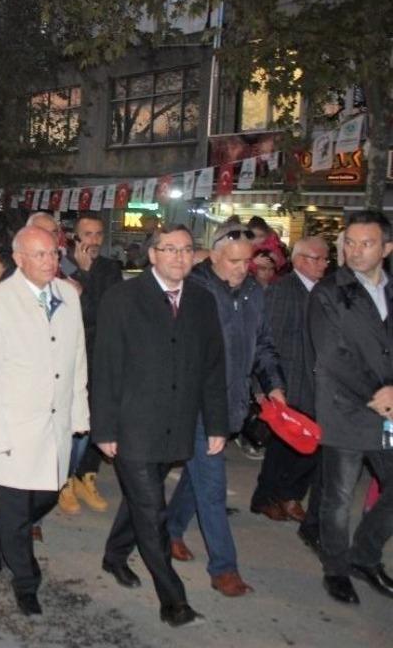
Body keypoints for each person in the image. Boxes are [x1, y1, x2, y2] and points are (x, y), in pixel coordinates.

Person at [92, 224, 228, 628]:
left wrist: (217, 423)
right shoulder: (123, 298)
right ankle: (174, 601)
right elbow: (106, 366)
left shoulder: (202, 301)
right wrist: (104, 428)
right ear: (152, 255)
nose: (179, 257)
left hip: (176, 424)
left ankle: (115, 554)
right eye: (169, 249)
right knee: (153, 512)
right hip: (132, 424)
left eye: (186, 249)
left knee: (142, 500)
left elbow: (212, 367)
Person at [0, 226, 88, 616]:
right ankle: (26, 581)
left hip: (55, 425)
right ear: (19, 259)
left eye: (53, 253)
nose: (50, 261)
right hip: (14, 426)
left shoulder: (69, 296)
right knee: (19, 511)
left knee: (49, 494)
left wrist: (80, 413)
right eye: (40, 255)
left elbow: (77, 359)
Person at [166, 222, 284, 598]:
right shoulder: (193, 289)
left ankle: (169, 529)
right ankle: (224, 567)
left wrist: (273, 385)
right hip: (198, 404)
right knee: (213, 486)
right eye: (233, 261)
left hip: (232, 402)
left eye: (246, 262)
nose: (241, 268)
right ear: (214, 255)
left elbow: (262, 343)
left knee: (198, 476)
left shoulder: (253, 292)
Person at [308, 210, 393, 605]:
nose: (355, 251)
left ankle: (365, 555)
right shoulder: (329, 292)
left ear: (387, 248)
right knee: (338, 497)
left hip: (388, 412)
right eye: (350, 243)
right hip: (346, 408)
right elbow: (332, 355)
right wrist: (379, 394)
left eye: (367, 243)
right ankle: (336, 569)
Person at [251, 237, 329, 536]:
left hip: (318, 380)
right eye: (316, 258)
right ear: (298, 260)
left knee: (312, 444)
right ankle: (267, 497)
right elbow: (267, 340)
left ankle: (290, 495)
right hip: (289, 381)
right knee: (284, 447)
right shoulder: (283, 291)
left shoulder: (323, 291)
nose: (323, 264)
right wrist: (265, 386)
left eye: (325, 259)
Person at [57, 213, 121, 516]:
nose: (93, 240)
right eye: (87, 234)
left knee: (96, 414)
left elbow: (106, 311)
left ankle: (87, 474)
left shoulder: (110, 268)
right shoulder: (60, 266)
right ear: (75, 237)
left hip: (100, 354)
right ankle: (64, 478)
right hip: (67, 354)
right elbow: (74, 312)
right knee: (68, 418)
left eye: (98, 234)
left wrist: (85, 280)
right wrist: (81, 275)